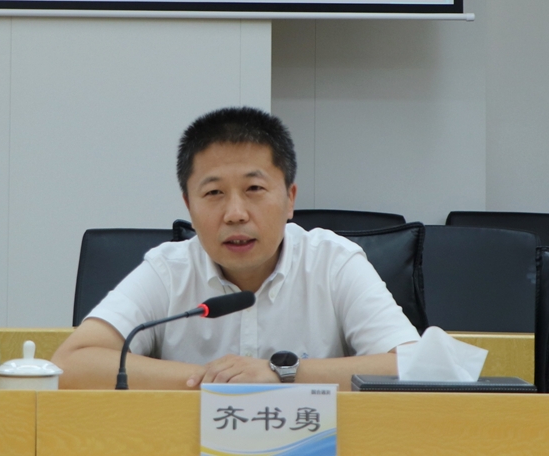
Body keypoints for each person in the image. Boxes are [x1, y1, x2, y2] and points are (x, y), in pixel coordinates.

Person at [52, 106, 420, 390]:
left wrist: (282, 373)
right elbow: (71, 363)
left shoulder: (333, 263)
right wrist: (217, 381)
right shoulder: (168, 271)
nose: (235, 214)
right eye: (214, 192)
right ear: (189, 205)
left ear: (290, 199)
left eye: (254, 189)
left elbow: (415, 367)